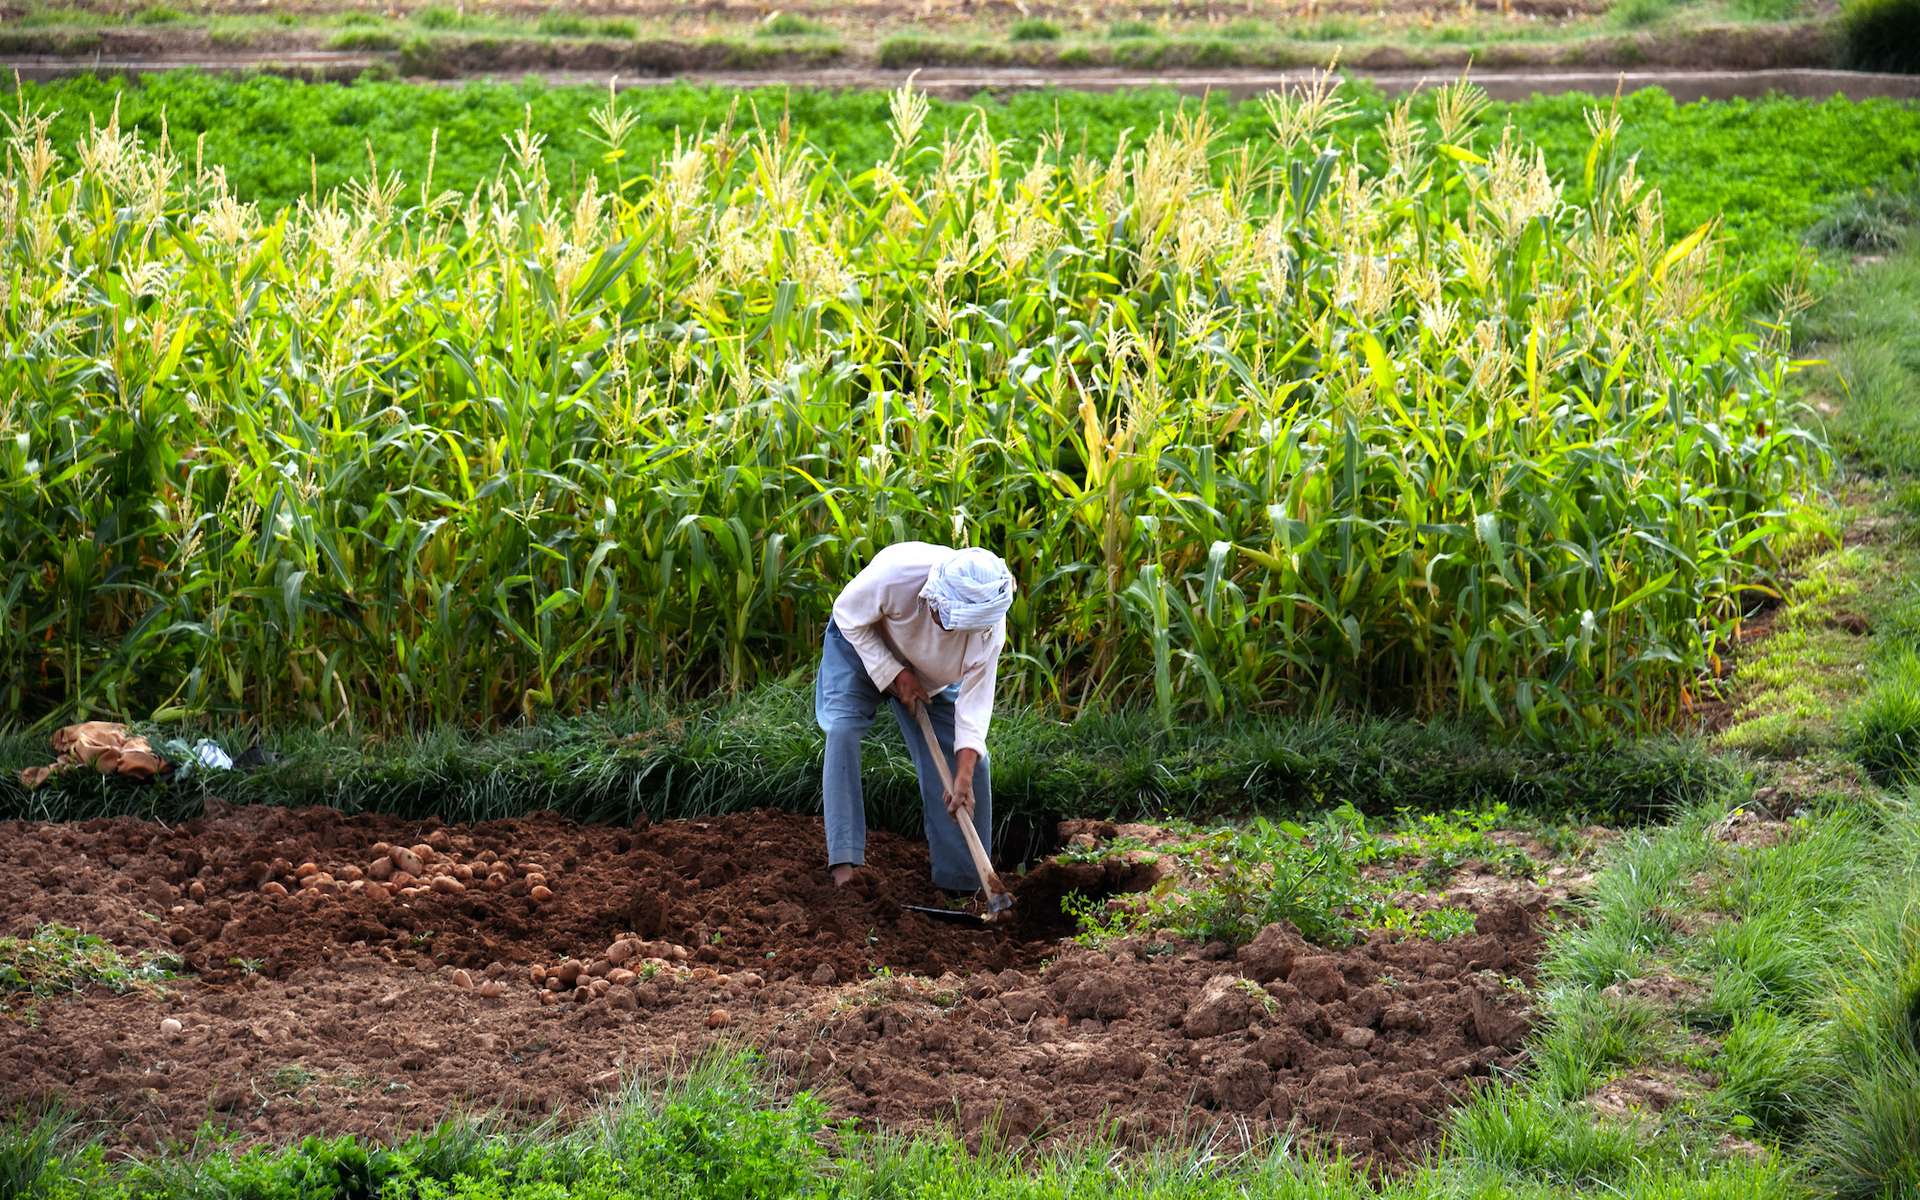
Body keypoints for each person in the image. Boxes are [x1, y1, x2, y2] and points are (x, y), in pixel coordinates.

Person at [816, 542, 1014, 892]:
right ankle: (844, 869)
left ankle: (965, 883)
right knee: (843, 731)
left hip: (929, 681)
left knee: (973, 767)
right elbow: (846, 613)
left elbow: (975, 705)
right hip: (861, 647)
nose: (944, 625)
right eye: (942, 615)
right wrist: (893, 671)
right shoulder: (899, 573)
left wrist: (963, 774)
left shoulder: (988, 627)